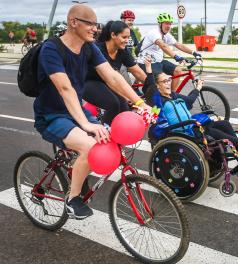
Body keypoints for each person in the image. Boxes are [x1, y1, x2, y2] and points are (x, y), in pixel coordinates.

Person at [33, 4, 149, 219]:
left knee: (105, 137)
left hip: (75, 110)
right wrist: (86, 124)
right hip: (51, 115)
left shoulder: (89, 47)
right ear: (73, 22)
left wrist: (141, 104)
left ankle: (75, 167)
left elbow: (113, 77)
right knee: (90, 146)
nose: (95, 29)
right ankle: (73, 198)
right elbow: (64, 88)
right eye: (90, 24)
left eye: (97, 25)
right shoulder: (51, 49)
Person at [142, 57, 238, 163]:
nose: (169, 83)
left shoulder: (173, 96)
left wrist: (197, 88)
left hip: (191, 126)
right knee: (216, 134)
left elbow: (190, 100)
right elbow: (150, 88)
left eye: (169, 80)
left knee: (224, 124)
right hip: (183, 132)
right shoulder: (157, 101)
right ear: (157, 86)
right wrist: (148, 70)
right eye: (164, 81)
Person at [84, 20, 148, 125]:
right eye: (124, 37)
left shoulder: (122, 50)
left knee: (124, 105)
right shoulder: (98, 49)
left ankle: (119, 138)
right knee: (114, 104)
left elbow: (138, 72)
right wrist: (133, 99)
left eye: (128, 37)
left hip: (106, 83)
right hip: (88, 82)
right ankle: (104, 133)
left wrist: (154, 85)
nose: (127, 40)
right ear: (113, 35)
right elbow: (111, 79)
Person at [137, 13, 202, 92]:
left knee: (177, 70)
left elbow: (178, 45)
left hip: (159, 61)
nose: (168, 26)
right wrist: (176, 56)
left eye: (170, 24)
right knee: (162, 79)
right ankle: (163, 97)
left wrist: (194, 53)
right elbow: (163, 45)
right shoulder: (154, 33)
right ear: (160, 24)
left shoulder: (166, 35)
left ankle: (171, 95)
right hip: (147, 63)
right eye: (166, 23)